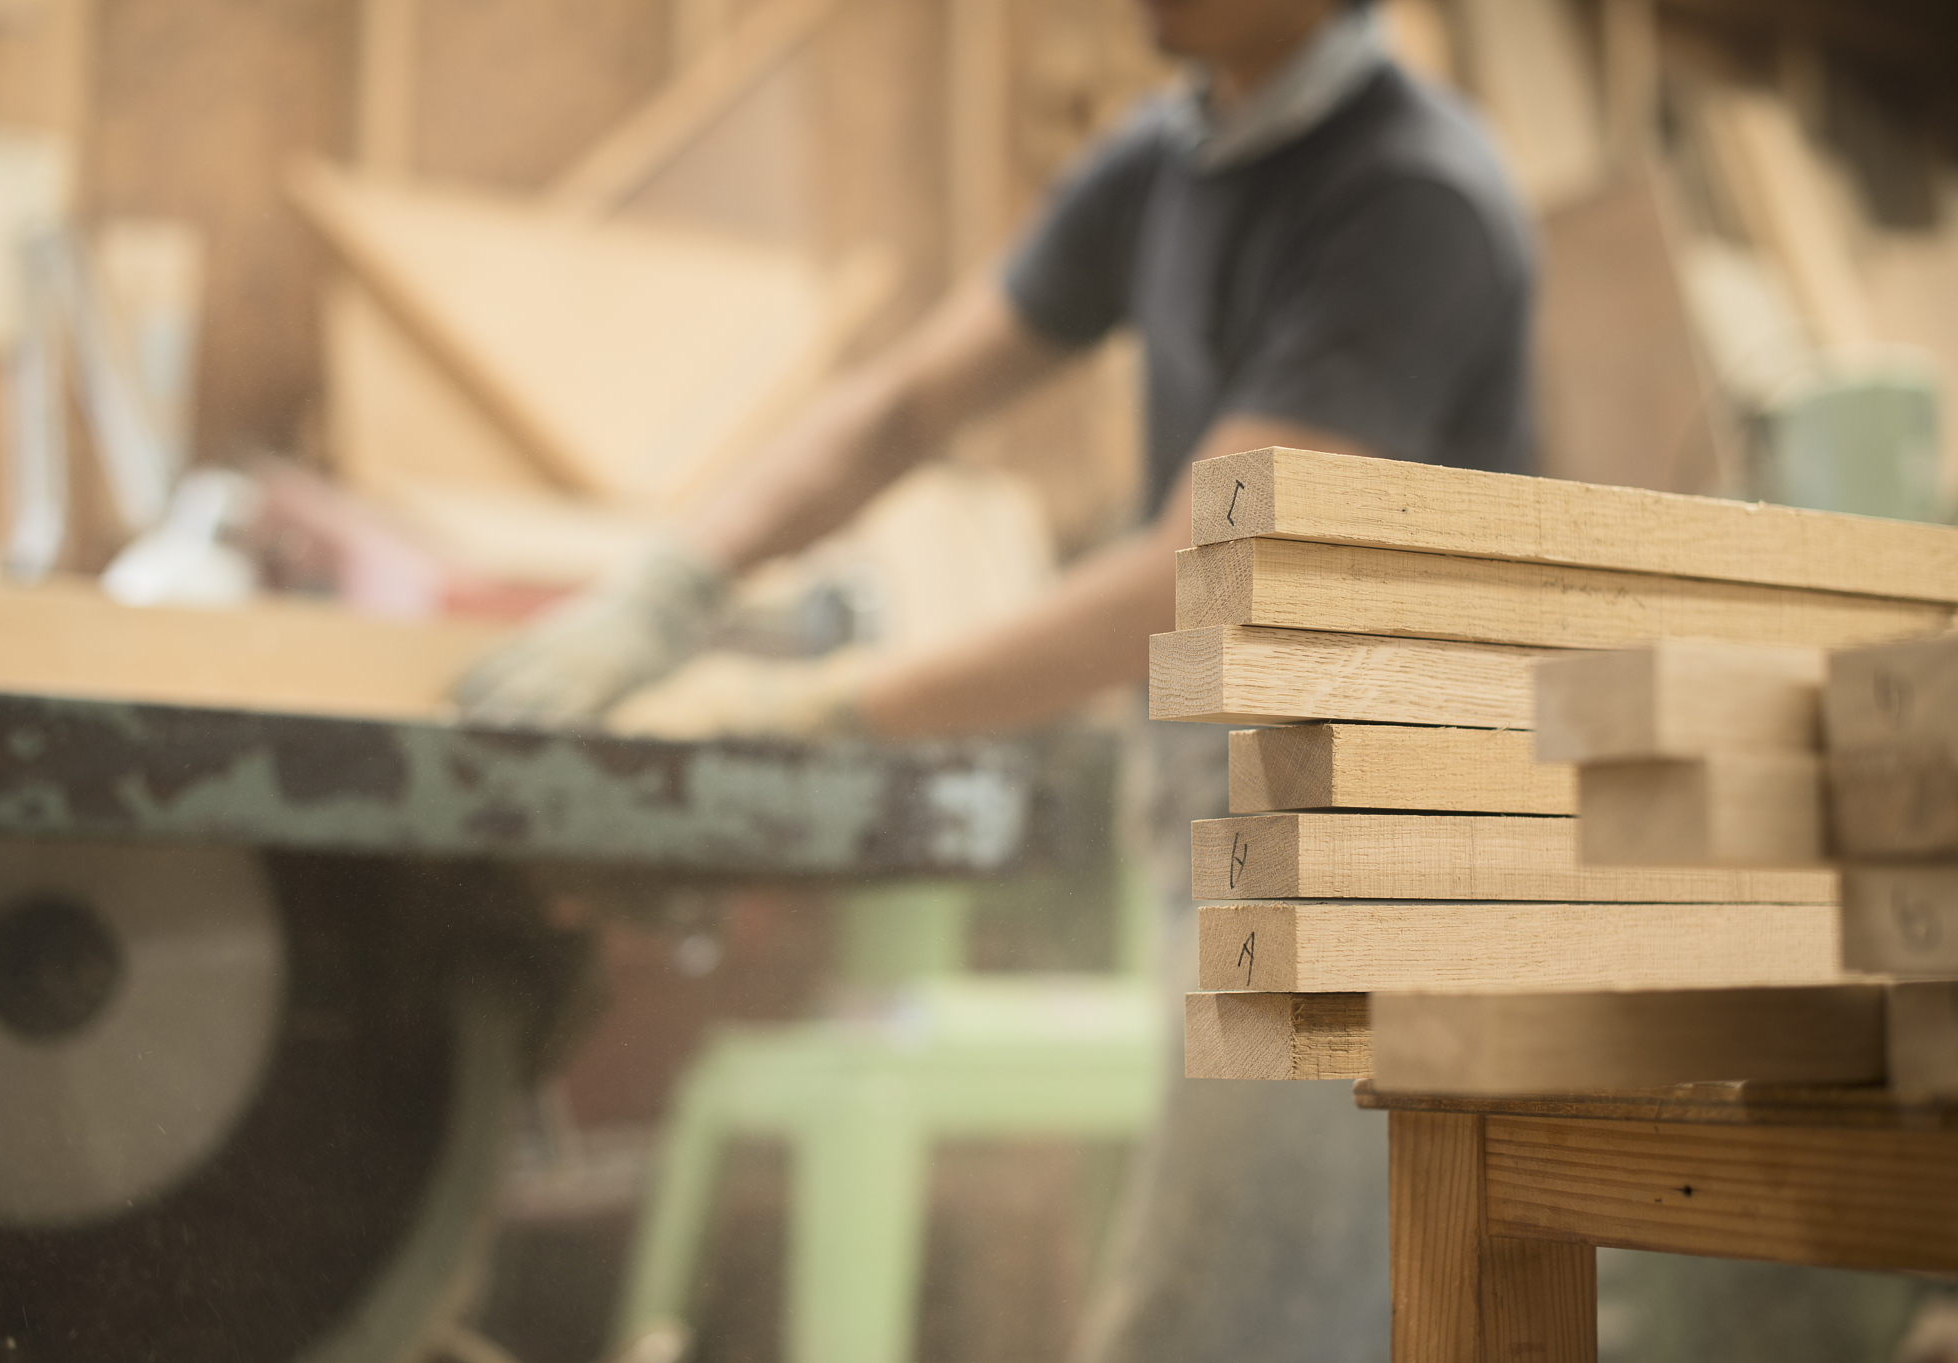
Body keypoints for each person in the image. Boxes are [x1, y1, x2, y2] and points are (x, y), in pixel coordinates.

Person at [460, 1, 1532, 1358]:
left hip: (1386, 831)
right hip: (1240, 793)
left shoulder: (1412, 201)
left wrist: (826, 711)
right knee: (1272, 1303)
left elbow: (1204, 571)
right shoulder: (1171, 158)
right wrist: (669, 588)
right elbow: (911, 403)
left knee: (1236, 1324)